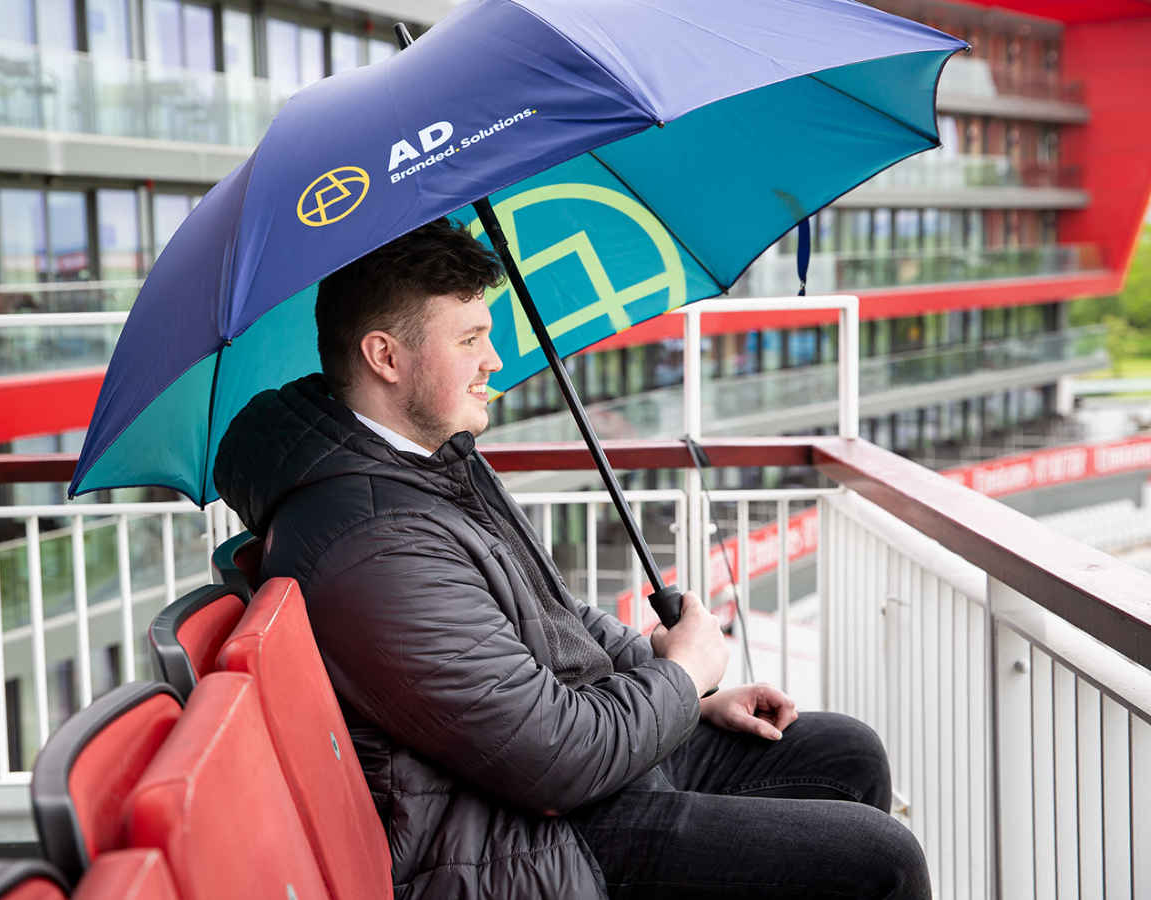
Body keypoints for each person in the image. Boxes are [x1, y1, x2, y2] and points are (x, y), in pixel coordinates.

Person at [211, 218, 929, 900]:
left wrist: (688, 692)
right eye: (470, 339)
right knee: (880, 862)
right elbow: (556, 757)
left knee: (846, 753)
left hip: (561, 784)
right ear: (384, 356)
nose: (493, 360)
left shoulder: (422, 465)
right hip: (523, 841)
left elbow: (555, 620)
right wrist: (681, 678)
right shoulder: (371, 545)